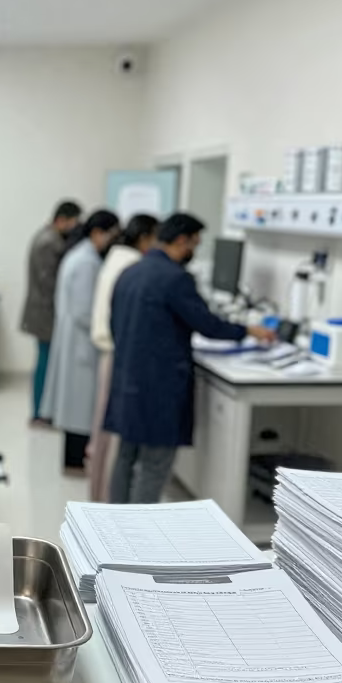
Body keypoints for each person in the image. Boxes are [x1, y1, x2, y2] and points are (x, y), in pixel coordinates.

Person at [105, 212, 274, 504]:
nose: (193, 252)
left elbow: (115, 324)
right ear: (182, 241)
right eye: (194, 244)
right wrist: (248, 330)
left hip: (127, 380)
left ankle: (111, 524)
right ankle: (137, 536)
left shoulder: (130, 272)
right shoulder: (175, 279)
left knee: (126, 457)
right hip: (158, 388)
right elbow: (207, 325)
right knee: (154, 465)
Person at [40, 208, 121, 476]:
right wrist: (111, 328)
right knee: (79, 405)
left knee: (75, 403)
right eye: (111, 234)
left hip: (74, 338)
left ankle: (74, 458)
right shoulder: (86, 262)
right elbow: (85, 311)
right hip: (81, 343)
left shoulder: (79, 255)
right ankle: (74, 462)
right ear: (98, 233)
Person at [88, 212, 159, 502]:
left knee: (104, 433)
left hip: (110, 350)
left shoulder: (115, 258)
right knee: (116, 436)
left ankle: (101, 494)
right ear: (144, 238)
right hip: (119, 353)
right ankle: (108, 499)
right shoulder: (132, 264)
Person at [20, 200, 83, 425]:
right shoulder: (49, 242)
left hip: (44, 311)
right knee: (45, 364)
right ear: (61, 220)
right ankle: (38, 413)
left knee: (45, 361)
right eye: (74, 223)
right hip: (45, 313)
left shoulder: (48, 237)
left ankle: (43, 410)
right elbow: (50, 283)